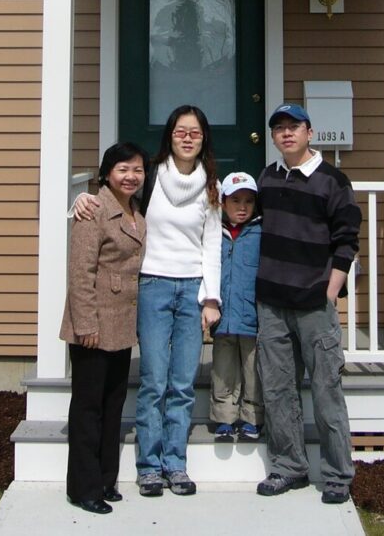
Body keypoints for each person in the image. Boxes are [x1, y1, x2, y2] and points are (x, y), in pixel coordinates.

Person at [72, 105, 222, 498]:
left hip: (191, 289)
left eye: (195, 132)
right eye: (180, 131)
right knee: (154, 381)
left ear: (204, 138)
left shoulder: (212, 185)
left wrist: (212, 298)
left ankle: (176, 464)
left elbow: (211, 245)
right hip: (153, 285)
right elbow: (111, 202)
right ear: (169, 136)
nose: (187, 137)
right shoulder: (151, 176)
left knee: (183, 383)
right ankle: (149, 466)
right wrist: (78, 203)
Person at [254, 103, 362, 505]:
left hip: (314, 305)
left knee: (326, 389)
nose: (286, 133)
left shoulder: (333, 181)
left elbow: (347, 240)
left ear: (310, 133)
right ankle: (288, 467)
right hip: (272, 302)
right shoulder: (267, 178)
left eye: (294, 127)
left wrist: (329, 291)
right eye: (279, 128)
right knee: (279, 390)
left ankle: (337, 474)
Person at [60, 141, 148, 515]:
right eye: (123, 169)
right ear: (107, 173)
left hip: (121, 323)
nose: (131, 176)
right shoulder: (92, 210)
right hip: (93, 326)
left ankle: (106, 480)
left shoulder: (134, 210)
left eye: (138, 170)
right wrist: (85, 325)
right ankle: (83, 488)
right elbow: (81, 273)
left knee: (113, 406)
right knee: (88, 408)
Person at [210, 170, 264, 443]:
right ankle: (224, 418)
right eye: (235, 201)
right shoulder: (214, 234)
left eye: (248, 201)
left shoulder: (259, 233)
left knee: (253, 370)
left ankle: (251, 417)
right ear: (223, 203)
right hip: (223, 317)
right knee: (223, 369)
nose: (242, 207)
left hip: (252, 316)